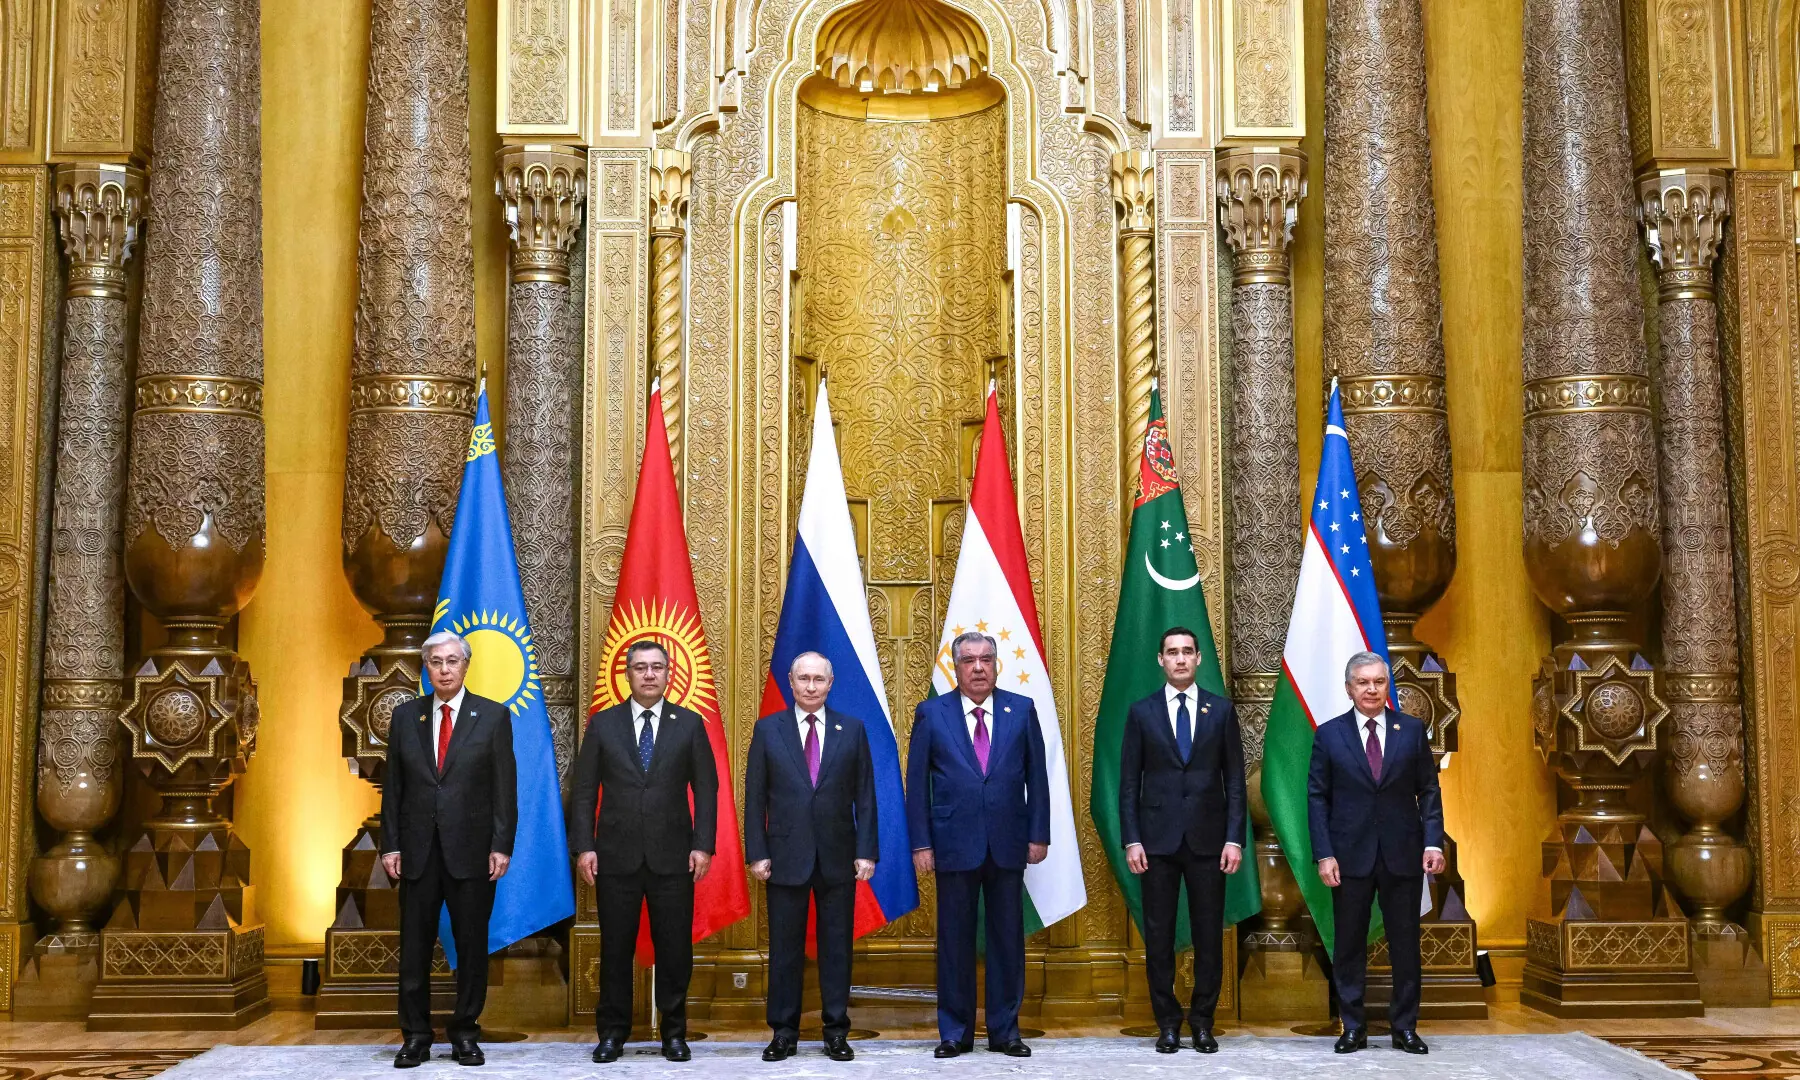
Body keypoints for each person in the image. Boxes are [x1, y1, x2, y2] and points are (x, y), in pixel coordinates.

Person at [569, 639, 719, 1064]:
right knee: (615, 949)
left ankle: (674, 1033)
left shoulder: (689, 724)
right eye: (640, 667)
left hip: (674, 858)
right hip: (614, 857)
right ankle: (612, 1034)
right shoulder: (603, 724)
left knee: (675, 950)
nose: (649, 674)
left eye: (656, 667)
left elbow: (706, 790)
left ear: (669, 673)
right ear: (627, 674)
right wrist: (584, 847)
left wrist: (703, 845)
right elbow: (583, 793)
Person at [905, 631, 1049, 1059]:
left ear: (997, 663)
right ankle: (955, 1032)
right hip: (952, 844)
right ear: (956, 666)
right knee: (955, 942)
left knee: (1008, 940)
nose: (979, 667)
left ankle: (1006, 1031)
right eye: (970, 660)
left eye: (987, 658)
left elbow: (1037, 780)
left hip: (1008, 843)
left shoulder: (1020, 710)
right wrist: (921, 844)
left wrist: (1038, 834)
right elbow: (916, 784)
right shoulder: (932, 713)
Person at [380, 630, 517, 1069]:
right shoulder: (406, 717)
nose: (444, 669)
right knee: (415, 948)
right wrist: (391, 845)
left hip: (473, 852)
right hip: (417, 852)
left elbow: (504, 790)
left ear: (465, 665)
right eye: (436, 661)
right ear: (426, 667)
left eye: (452, 661)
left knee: (472, 947)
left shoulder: (493, 717)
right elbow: (394, 789)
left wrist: (501, 845)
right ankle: (415, 1035)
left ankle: (464, 1033)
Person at [1308, 651, 1445, 1056]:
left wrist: (1433, 841)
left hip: (1403, 854)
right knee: (1349, 945)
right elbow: (1317, 798)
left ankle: (1405, 1027)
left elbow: (1429, 791)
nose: (1371, 689)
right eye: (1363, 682)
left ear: (1388, 686)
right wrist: (1324, 854)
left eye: (1378, 682)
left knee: (1405, 945)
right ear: (1349, 688)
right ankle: (1353, 1027)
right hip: (1348, 857)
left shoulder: (1412, 730)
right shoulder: (1329, 734)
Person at [744, 652, 878, 1063]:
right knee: (785, 949)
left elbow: (866, 798)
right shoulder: (769, 730)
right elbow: (754, 799)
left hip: (839, 857)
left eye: (819, 679)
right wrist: (757, 853)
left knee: (837, 948)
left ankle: (836, 1032)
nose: (811, 686)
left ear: (830, 683)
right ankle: (783, 1033)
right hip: (785, 856)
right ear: (791, 681)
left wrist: (866, 852)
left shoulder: (851, 730)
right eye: (803, 678)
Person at [1118, 626, 1246, 1054]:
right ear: (1160, 660)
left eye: (1187, 652)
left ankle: (1203, 1023)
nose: (1180, 659)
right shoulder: (1142, 712)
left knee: (1210, 934)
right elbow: (1127, 783)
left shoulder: (1222, 711)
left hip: (1210, 842)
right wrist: (1132, 840)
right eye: (1172, 652)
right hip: (1156, 844)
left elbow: (1236, 783)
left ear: (1198, 659)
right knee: (1159, 936)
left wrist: (1234, 839)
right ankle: (1168, 1023)